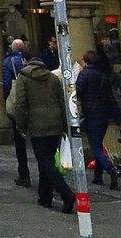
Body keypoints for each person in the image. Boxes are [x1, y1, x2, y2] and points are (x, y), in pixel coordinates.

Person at [11, 49, 75, 214]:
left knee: (45, 161)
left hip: (37, 123)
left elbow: (20, 104)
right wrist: (63, 124)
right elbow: (62, 101)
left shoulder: (23, 78)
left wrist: (21, 125)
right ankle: (44, 196)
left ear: (26, 62)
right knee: (46, 161)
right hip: (54, 123)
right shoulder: (53, 78)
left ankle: (66, 193)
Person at [76, 49, 121, 190]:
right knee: (99, 144)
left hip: (90, 114)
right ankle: (98, 176)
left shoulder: (85, 74)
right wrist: (120, 119)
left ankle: (111, 170)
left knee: (95, 147)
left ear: (86, 60)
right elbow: (111, 98)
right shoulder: (103, 75)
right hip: (104, 114)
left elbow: (77, 91)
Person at [1, 39, 32, 187]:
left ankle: (24, 174)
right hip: (34, 104)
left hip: (18, 104)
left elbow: (7, 85)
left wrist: (7, 98)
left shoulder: (9, 62)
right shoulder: (33, 60)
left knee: (20, 142)